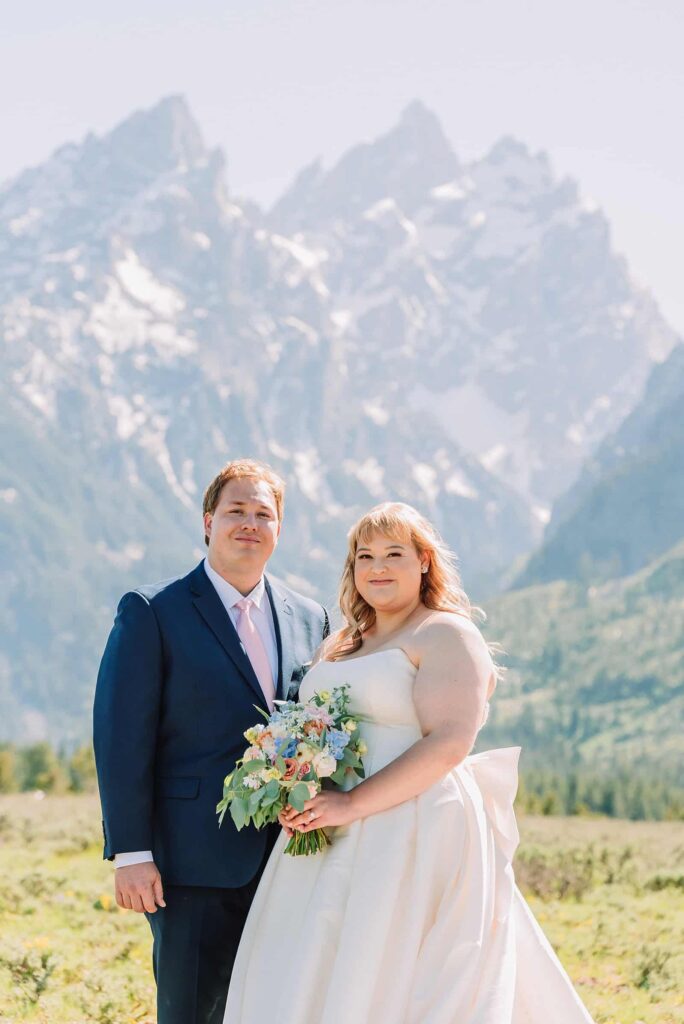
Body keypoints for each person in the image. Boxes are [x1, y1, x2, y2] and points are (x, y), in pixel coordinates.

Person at [225, 501, 595, 1023]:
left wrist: (351, 804)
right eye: (365, 556)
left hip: (413, 826)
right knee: (315, 960)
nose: (377, 567)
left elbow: (449, 741)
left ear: (424, 561)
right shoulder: (342, 642)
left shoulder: (445, 633)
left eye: (394, 554)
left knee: (394, 968)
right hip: (327, 828)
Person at [93, 459, 329, 1024]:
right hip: (189, 862)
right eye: (235, 512)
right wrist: (131, 853)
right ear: (208, 522)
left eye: (263, 514)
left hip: (289, 859)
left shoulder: (311, 617)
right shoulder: (153, 611)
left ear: (279, 530)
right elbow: (121, 738)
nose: (249, 524)